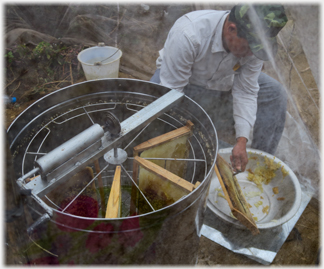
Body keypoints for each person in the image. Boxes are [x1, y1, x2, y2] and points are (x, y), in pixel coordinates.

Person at [150, 4, 288, 173]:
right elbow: (172, 90)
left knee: (275, 93)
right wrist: (181, 128)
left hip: (223, 84)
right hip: (183, 84)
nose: (252, 55)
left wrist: (241, 140)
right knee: (158, 118)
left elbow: (246, 90)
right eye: (248, 48)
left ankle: (256, 166)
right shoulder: (189, 33)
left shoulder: (253, 46)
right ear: (232, 29)